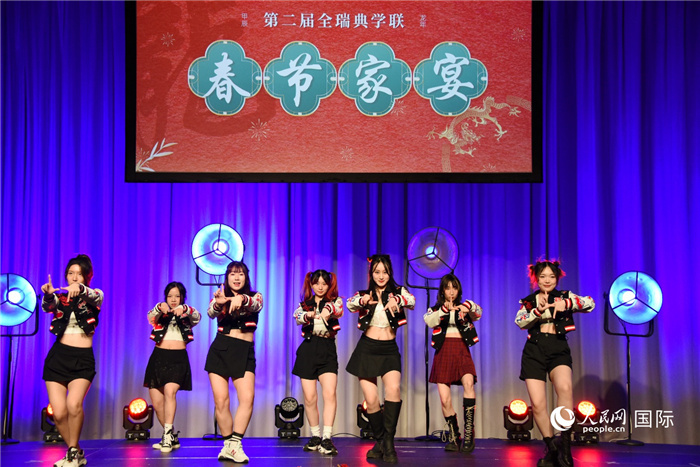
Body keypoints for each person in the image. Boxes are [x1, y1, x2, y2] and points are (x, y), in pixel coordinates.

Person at [515, 259, 595, 467]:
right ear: (536, 278)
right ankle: (551, 448)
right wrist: (537, 311)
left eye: (551, 276)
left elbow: (590, 303)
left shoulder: (565, 296)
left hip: (558, 348)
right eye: (543, 276)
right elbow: (520, 321)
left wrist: (566, 304)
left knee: (565, 389)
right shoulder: (529, 301)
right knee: (538, 404)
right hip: (534, 351)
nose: (547, 280)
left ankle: (565, 447)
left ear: (557, 278)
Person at [346, 254, 415, 464]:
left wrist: (397, 300)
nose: (381, 276)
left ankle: (388, 443)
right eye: (377, 272)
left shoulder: (398, 292)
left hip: (389, 349)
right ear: (371, 273)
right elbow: (350, 305)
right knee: (372, 400)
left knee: (393, 390)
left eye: (385, 272)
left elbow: (412, 301)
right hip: (367, 349)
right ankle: (380, 441)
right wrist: (363, 300)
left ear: (390, 272)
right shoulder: (364, 294)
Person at [41, 254, 104, 467]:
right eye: (70, 273)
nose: (74, 277)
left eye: (79, 274)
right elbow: (48, 307)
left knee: (74, 404)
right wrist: (49, 295)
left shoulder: (96, 295)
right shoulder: (60, 298)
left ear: (86, 277)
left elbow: (93, 296)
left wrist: (80, 289)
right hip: (58, 358)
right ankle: (74, 451)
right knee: (59, 414)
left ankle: (73, 453)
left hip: (82, 359)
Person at [205, 261, 263, 463]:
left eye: (240, 274)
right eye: (232, 274)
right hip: (220, 349)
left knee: (247, 398)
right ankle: (228, 445)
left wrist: (241, 298)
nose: (237, 278)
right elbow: (210, 312)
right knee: (221, 401)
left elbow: (256, 305)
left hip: (244, 350)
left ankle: (236, 444)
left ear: (246, 277)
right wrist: (220, 303)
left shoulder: (255, 296)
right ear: (227, 277)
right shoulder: (219, 297)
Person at [423, 273, 482, 453]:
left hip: (461, 349)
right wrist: (444, 310)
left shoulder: (465, 308)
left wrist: (466, 307)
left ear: (458, 290)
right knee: (445, 399)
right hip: (443, 351)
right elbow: (429, 321)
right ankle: (454, 435)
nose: (451, 291)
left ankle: (469, 433)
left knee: (468, 384)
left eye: (454, 288)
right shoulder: (435, 310)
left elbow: (478, 313)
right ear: (442, 290)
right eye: (447, 288)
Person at [144, 281, 201, 452]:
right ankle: (171, 435)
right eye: (170, 296)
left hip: (177, 359)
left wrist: (184, 309)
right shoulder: (160, 313)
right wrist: (158, 308)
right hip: (158, 358)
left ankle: (167, 437)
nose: (173, 299)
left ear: (182, 297)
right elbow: (150, 317)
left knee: (170, 392)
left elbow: (197, 317)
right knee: (157, 402)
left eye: (177, 296)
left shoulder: (187, 314)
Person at [292, 269, 344, 456]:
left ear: (329, 285)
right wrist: (309, 315)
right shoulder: (304, 305)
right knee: (310, 398)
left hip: (327, 349)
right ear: (311, 284)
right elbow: (297, 317)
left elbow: (339, 311)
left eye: (324, 283)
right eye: (317, 283)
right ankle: (315, 435)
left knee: (329, 394)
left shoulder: (335, 302)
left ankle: (327, 438)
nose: (320, 287)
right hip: (308, 348)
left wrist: (327, 311)